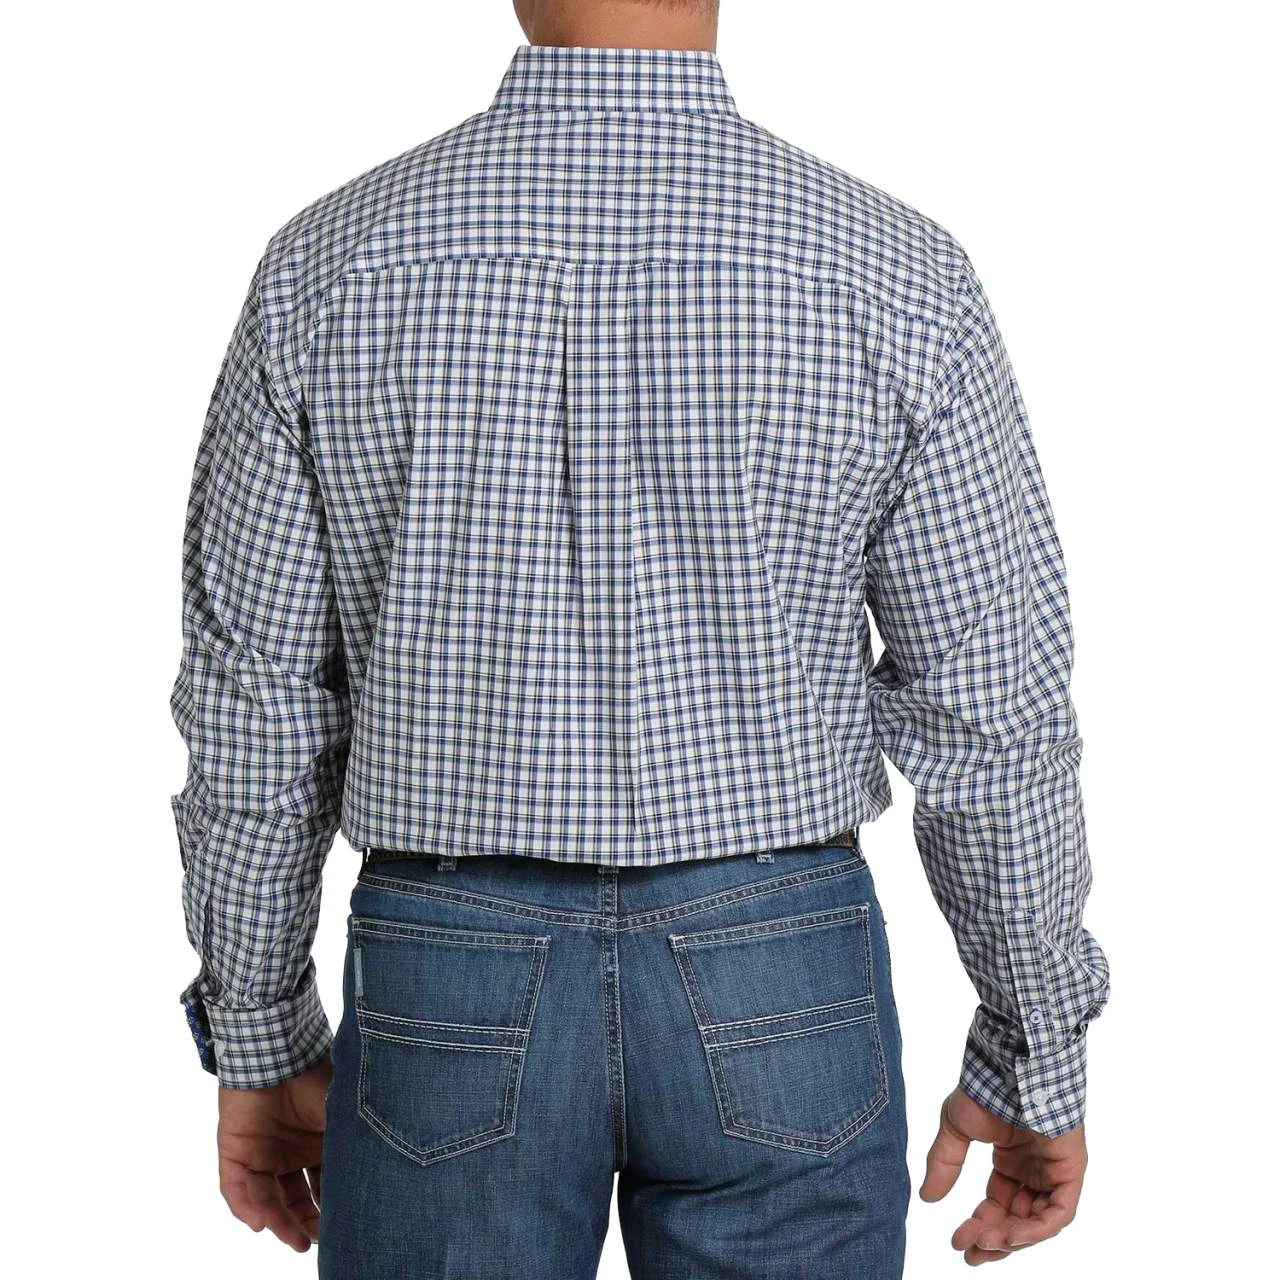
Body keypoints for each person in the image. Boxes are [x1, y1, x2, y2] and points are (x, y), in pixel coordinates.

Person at [168, 1, 1111, 1274]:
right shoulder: (893, 272)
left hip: (447, 970)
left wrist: (259, 1030)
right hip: (780, 962)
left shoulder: (329, 265)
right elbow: (989, 711)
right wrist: (1035, 1042)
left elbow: (257, 708)